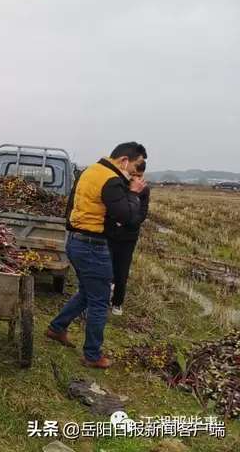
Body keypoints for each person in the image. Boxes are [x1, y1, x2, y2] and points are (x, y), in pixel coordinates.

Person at [44, 142, 148, 369]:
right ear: (124, 160)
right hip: (93, 246)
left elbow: (70, 207)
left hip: (75, 241)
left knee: (86, 292)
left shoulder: (90, 171)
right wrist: (133, 194)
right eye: (136, 166)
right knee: (100, 302)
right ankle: (92, 355)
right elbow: (129, 216)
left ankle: (56, 328)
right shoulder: (112, 180)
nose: (135, 172)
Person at [107, 160, 150, 316]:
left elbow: (141, 214)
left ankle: (117, 302)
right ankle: (103, 298)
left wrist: (124, 220)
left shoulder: (144, 191)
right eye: (133, 175)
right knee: (106, 268)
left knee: (122, 270)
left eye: (139, 176)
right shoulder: (118, 184)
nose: (135, 179)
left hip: (128, 237)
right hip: (110, 234)